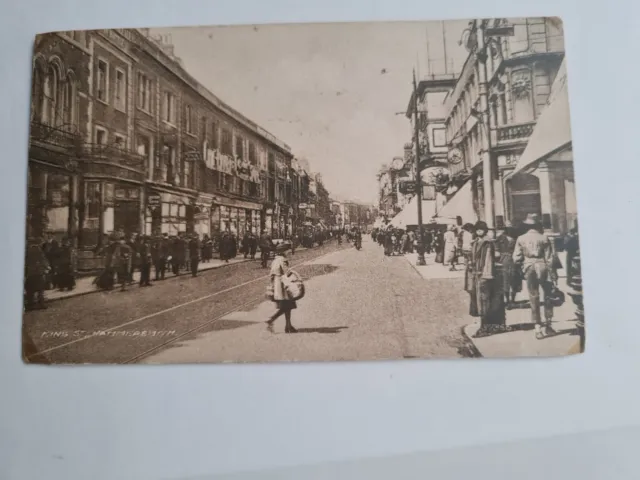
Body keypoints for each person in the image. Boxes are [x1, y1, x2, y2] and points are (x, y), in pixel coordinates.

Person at [513, 214, 557, 340]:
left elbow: (516, 258)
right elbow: (550, 259)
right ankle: (548, 325)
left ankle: (537, 327)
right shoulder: (544, 238)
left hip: (529, 267)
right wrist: (553, 276)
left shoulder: (521, 238)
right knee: (548, 295)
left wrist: (523, 265)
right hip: (543, 267)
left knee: (534, 296)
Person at [466, 221, 505, 335]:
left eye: (481, 229)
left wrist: (486, 275)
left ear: (485, 230)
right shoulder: (477, 242)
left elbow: (489, 259)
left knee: (484, 301)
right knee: (479, 301)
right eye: (477, 229)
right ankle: (486, 326)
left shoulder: (487, 243)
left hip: (484, 275)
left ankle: (485, 327)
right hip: (476, 274)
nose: (479, 231)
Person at [265, 248, 298, 333]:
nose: (288, 252)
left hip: (277, 285)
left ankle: (288, 326)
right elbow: (287, 272)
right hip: (283, 285)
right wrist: (296, 278)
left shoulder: (275, 261)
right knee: (286, 306)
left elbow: (271, 275)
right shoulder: (283, 260)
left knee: (288, 306)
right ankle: (271, 320)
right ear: (284, 251)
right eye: (287, 250)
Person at [495, 225, 522, 309]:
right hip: (504, 261)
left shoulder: (517, 239)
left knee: (514, 280)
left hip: (514, 261)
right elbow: (496, 249)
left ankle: (512, 300)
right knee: (505, 281)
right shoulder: (500, 238)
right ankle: (507, 300)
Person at [24, 237, 50, 310]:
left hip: (30, 273)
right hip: (38, 272)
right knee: (40, 290)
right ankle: (41, 304)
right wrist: (47, 267)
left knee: (30, 290)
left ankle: (30, 305)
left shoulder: (27, 250)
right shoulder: (38, 250)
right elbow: (42, 259)